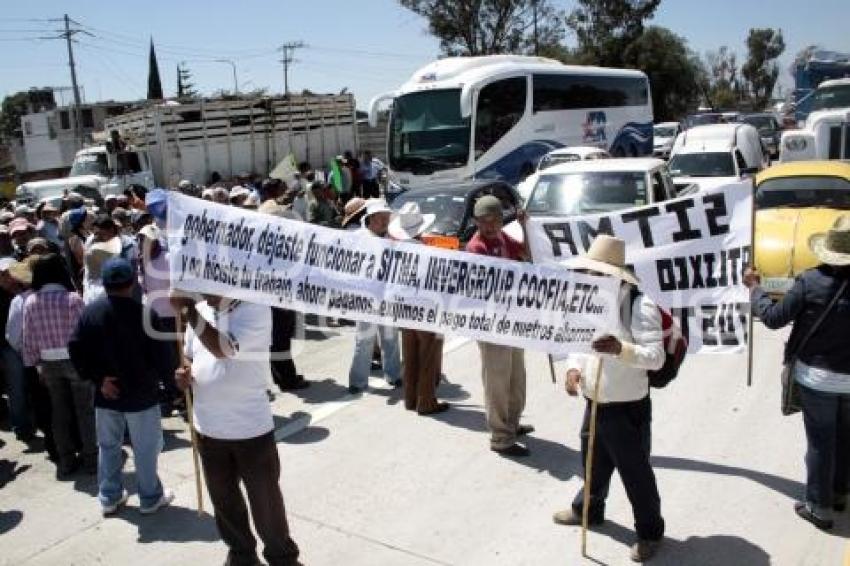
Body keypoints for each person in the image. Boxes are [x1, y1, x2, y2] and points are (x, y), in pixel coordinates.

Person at [552, 235, 666, 563]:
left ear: (616, 275)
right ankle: (588, 509)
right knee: (593, 462)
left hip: (627, 406)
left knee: (636, 473)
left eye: (599, 273)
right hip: (596, 400)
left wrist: (620, 349)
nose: (592, 278)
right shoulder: (592, 301)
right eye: (591, 272)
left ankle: (650, 532)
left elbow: (655, 357)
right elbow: (580, 342)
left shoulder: (640, 305)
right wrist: (574, 369)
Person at [172, 292, 301, 566]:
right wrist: (184, 374)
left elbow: (224, 349)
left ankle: (283, 558)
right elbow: (190, 358)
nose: (202, 289)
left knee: (266, 504)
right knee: (224, 503)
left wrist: (190, 315)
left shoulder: (255, 307)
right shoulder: (200, 312)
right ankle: (242, 556)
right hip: (208, 428)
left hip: (250, 430)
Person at [745, 215, 850, 531]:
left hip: (816, 379)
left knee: (820, 442)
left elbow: (774, 318)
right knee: (845, 438)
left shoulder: (810, 282)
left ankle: (819, 507)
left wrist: (755, 290)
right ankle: (839, 492)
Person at [69, 257, 175, 516]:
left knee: (108, 446)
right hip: (141, 394)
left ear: (104, 284)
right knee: (146, 448)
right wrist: (172, 388)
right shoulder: (145, 313)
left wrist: (98, 379)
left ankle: (109, 495)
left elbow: (74, 349)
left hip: (107, 394)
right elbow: (163, 357)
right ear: (132, 283)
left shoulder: (89, 312)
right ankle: (150, 497)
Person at [465, 195, 532, 456]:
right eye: (484, 221)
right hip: (492, 324)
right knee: (497, 381)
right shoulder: (476, 247)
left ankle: (512, 423)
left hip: (512, 319)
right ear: (476, 222)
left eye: (494, 220)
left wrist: (525, 226)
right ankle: (500, 436)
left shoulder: (503, 239)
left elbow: (526, 252)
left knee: (517, 376)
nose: (490, 226)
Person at [22, 254, 95, 478]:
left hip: (48, 363)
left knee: (59, 413)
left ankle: (66, 461)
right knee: (84, 412)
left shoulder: (31, 302)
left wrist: (34, 365)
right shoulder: (73, 299)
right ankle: (91, 460)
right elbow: (84, 335)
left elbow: (29, 338)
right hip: (74, 360)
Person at [388, 202, 448, 415]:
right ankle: (426, 401)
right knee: (428, 353)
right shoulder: (424, 250)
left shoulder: (396, 249)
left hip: (403, 307)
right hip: (423, 307)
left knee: (410, 353)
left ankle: (410, 398)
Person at [348, 199, 401, 394]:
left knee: (390, 338)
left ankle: (394, 375)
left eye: (387, 217)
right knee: (364, 340)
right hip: (366, 298)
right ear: (370, 219)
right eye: (381, 218)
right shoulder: (357, 238)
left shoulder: (392, 238)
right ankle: (357, 381)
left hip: (387, 297)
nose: (385, 221)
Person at [257, 200, 309, 393]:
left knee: (279, 339)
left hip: (277, 295)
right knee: (280, 339)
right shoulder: (271, 241)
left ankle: (284, 376)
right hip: (276, 296)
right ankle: (287, 379)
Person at [137, 224, 182, 414]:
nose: (143, 243)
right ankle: (169, 396)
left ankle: (180, 397)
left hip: (171, 316)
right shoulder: (142, 261)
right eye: (141, 239)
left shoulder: (169, 257)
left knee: (175, 358)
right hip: (153, 316)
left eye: (146, 239)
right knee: (161, 359)